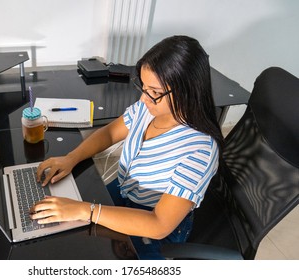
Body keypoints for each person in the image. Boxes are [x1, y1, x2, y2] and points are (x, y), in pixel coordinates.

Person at [30, 35, 224, 259]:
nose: (143, 98)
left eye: (154, 92)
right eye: (143, 87)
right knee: (64, 226)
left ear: (186, 91)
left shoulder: (200, 150)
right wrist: (71, 158)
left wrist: (87, 210)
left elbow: (159, 224)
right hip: (125, 193)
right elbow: (110, 132)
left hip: (154, 225)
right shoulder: (149, 109)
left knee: (80, 238)